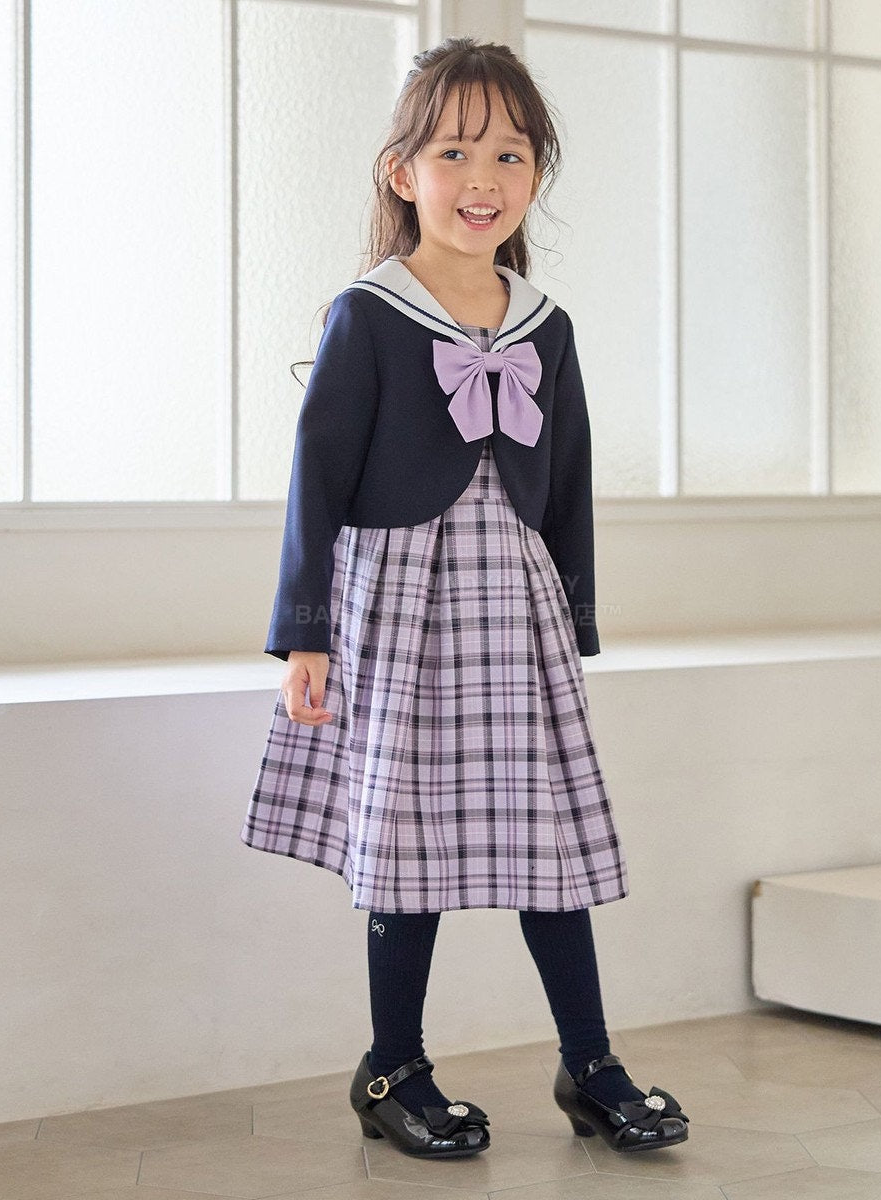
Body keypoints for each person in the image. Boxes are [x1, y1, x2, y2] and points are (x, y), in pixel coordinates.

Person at [241, 36, 689, 1161]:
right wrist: (305, 635)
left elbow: (569, 482)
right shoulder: (370, 314)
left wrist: (573, 619)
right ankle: (393, 1066)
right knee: (407, 841)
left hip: (512, 609)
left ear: (536, 174)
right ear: (402, 173)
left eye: (509, 154)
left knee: (551, 841)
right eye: (452, 152)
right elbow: (315, 477)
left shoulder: (546, 325)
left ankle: (590, 1065)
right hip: (398, 608)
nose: (481, 179)